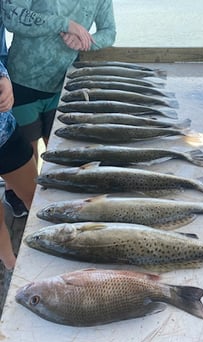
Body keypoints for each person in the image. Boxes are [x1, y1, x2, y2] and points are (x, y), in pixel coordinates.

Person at [1, 0, 116, 216]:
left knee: (61, 148)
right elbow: (11, 17)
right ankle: (19, 196)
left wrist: (86, 41)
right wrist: (65, 24)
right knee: (27, 150)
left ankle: (59, 204)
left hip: (64, 85)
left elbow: (109, 32)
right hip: (22, 82)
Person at [0, 54, 37, 270]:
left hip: (5, 133)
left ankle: (55, 241)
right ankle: (11, 265)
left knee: (37, 195)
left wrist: (4, 78)